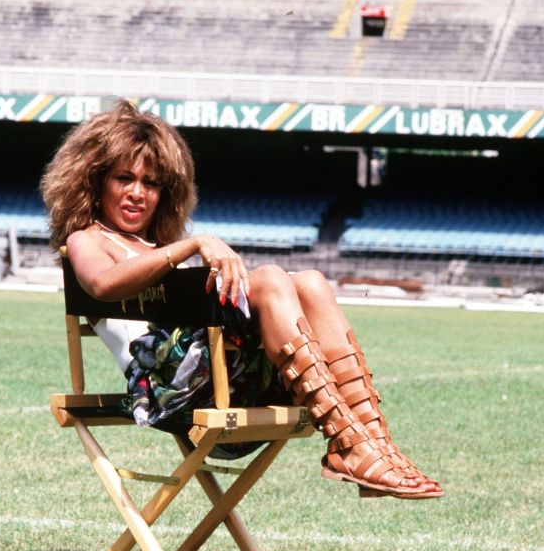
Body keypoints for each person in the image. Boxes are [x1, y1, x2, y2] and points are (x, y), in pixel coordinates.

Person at [41, 100, 443, 499]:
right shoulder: (87, 239)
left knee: (311, 283)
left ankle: (372, 443)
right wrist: (191, 246)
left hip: (232, 382)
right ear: (95, 181)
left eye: (151, 183)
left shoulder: (160, 248)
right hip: (175, 395)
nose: (137, 193)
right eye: (124, 178)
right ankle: (351, 444)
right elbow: (101, 285)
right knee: (268, 279)